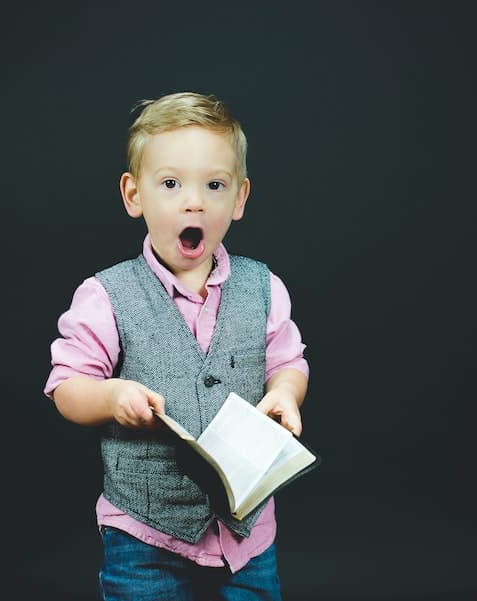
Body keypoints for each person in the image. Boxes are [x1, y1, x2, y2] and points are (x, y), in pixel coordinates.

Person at [43, 91, 310, 601]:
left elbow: (288, 361)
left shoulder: (264, 287)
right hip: (145, 533)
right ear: (133, 195)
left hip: (246, 535)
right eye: (170, 184)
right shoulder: (106, 295)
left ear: (239, 199)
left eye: (214, 185)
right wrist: (110, 396)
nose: (195, 201)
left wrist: (286, 393)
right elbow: (65, 386)